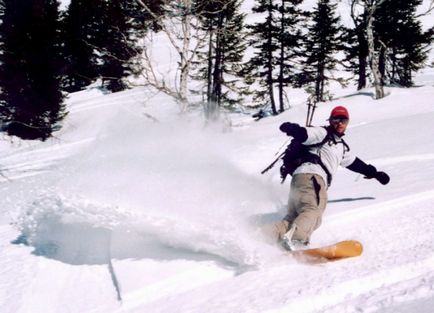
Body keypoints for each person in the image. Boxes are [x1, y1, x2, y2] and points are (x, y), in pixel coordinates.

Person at [273, 106, 390, 250]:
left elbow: (354, 163)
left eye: (344, 120)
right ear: (330, 120)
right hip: (312, 178)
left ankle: (261, 236)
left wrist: (375, 173)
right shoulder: (322, 133)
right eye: (336, 119)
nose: (339, 123)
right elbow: (305, 134)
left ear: (347, 122)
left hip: (300, 180)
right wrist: (293, 129)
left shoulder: (341, 147)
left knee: (292, 219)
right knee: (312, 211)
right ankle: (296, 241)